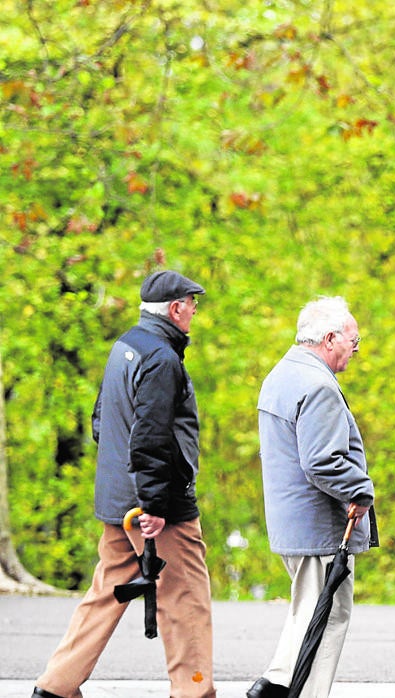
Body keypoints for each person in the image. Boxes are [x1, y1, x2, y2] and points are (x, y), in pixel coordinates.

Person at [31, 270, 215, 698]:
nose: (194, 311)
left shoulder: (126, 346)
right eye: (192, 304)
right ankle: (194, 692)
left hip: (118, 499)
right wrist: (154, 503)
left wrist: (128, 487)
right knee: (186, 598)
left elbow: (102, 422)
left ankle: (56, 686)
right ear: (175, 309)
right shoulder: (162, 361)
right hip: (156, 507)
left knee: (106, 593)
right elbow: (152, 437)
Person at [247, 296, 378, 698]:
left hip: (294, 521)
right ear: (330, 338)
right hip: (319, 526)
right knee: (327, 615)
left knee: (307, 607)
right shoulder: (318, 385)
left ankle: (276, 681)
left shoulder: (282, 373)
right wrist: (361, 489)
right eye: (353, 340)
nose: (356, 349)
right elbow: (322, 461)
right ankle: (296, 690)